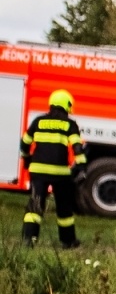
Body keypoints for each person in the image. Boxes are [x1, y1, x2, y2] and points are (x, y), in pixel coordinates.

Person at [20, 89, 87, 248]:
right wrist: (81, 168)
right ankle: (68, 241)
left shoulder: (38, 121)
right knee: (64, 208)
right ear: (66, 105)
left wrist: (27, 159)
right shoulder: (70, 124)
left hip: (38, 172)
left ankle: (29, 240)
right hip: (60, 173)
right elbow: (77, 148)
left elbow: (24, 144)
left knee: (35, 206)